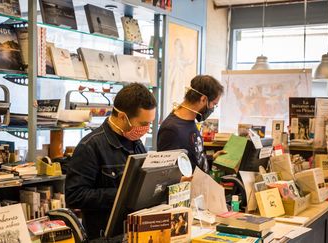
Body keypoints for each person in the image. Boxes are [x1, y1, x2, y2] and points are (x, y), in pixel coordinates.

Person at [65, 83, 157, 239]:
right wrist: (122, 195)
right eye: (143, 124)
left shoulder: (135, 142)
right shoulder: (90, 147)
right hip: (106, 236)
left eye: (150, 123)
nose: (147, 129)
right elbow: (74, 196)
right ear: (122, 116)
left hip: (134, 232)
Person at [157, 75, 225, 173]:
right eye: (214, 104)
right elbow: (167, 172)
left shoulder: (190, 121)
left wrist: (211, 158)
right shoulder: (171, 129)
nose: (213, 108)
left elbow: (192, 158)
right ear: (203, 99)